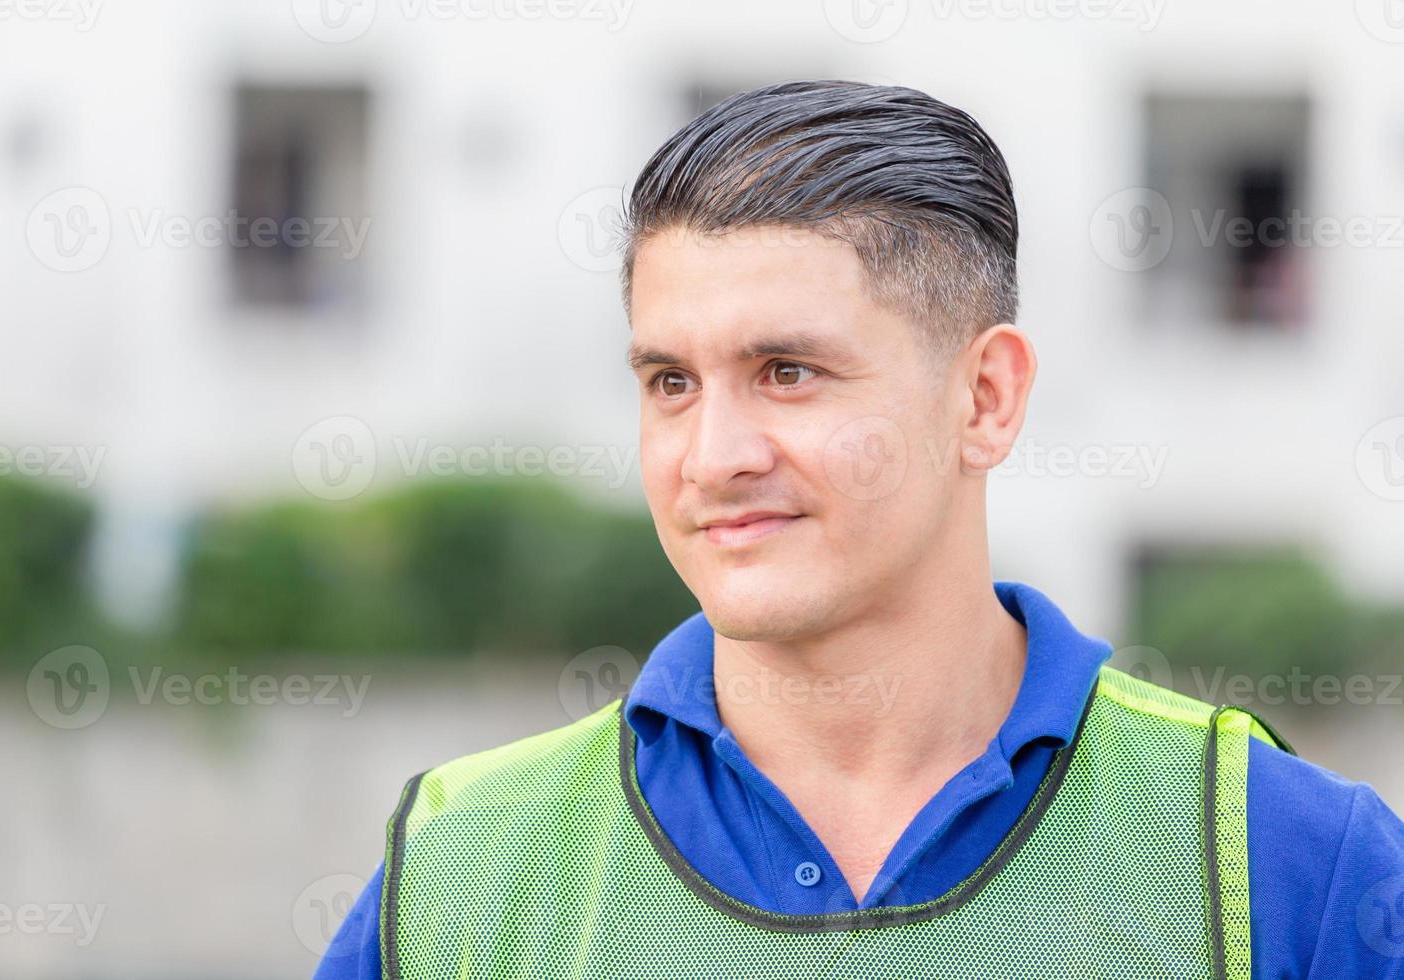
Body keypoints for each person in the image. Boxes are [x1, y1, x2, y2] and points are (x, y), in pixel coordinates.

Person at [314, 80, 1404, 979]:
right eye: (670, 380)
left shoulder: (1284, 862)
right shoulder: (458, 872)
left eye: (787, 372)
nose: (713, 453)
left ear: (985, 397)